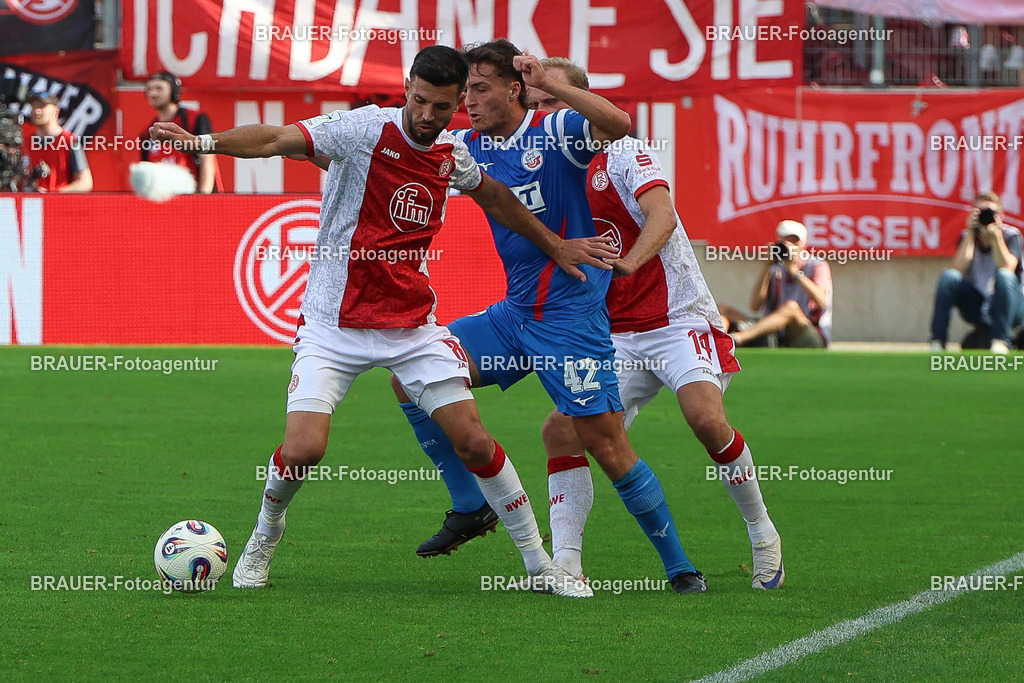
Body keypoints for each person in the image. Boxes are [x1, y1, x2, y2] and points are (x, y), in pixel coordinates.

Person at [150, 45, 616, 598]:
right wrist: (203, 142)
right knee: (304, 451)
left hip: (410, 325)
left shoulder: (452, 150)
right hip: (334, 322)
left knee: (473, 440)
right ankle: (263, 538)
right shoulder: (363, 130)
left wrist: (555, 243)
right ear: (406, 89)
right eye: (419, 102)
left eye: (442, 107)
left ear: (456, 103)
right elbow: (278, 139)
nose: (427, 116)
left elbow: (494, 196)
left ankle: (542, 567)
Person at [390, 40, 709, 594]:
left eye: (480, 88)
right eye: (465, 90)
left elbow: (619, 123)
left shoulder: (556, 132)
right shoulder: (465, 146)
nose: (468, 100)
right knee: (409, 374)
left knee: (607, 445)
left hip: (569, 323)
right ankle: (470, 504)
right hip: (512, 319)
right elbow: (396, 144)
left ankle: (680, 568)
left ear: (516, 89)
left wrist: (555, 84)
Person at [522, 58, 784, 589]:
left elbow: (663, 216)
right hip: (611, 333)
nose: (544, 113)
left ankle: (762, 532)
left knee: (705, 419)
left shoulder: (622, 152)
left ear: (580, 102)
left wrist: (631, 263)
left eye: (554, 101)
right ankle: (566, 565)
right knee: (561, 430)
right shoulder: (538, 168)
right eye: (536, 102)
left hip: (674, 317)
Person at [929, 192, 1024, 354]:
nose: (984, 217)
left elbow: (1007, 267)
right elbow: (957, 269)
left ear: (1000, 216)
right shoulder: (967, 237)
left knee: (1004, 276)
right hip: (978, 304)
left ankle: (1001, 341)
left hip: (1012, 306)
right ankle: (938, 341)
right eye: (979, 213)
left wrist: (995, 238)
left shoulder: (1011, 235)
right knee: (948, 276)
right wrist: (972, 234)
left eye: (989, 213)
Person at [719, 220, 833, 348]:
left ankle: (737, 339)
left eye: (794, 241)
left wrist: (795, 272)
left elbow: (821, 301)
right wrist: (766, 267)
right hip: (775, 330)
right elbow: (755, 305)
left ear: (804, 244)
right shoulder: (775, 267)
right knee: (723, 309)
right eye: (785, 241)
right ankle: (716, 344)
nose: (789, 246)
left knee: (791, 307)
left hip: (807, 331)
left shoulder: (816, 265)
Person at [141, 72, 219, 193]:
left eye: (159, 88)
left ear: (173, 91)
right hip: (163, 200)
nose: (153, 93)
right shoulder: (147, 133)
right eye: (149, 89)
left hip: (193, 196)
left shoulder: (194, 119)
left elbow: (207, 159)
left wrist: (203, 197)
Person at [22, 92, 92, 192]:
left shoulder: (69, 141)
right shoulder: (24, 143)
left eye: (42, 107)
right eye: (34, 107)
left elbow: (85, 183)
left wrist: (55, 194)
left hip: (58, 204)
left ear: (56, 111)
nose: (36, 111)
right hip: (29, 203)